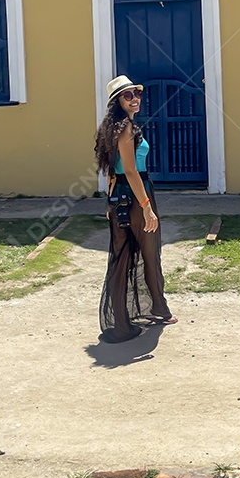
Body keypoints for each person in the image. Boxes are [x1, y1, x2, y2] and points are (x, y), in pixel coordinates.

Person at [93, 75, 177, 343]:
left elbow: (110, 171)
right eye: (128, 95)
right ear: (117, 101)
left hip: (119, 197)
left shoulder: (111, 128)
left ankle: (121, 319)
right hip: (135, 194)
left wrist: (109, 202)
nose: (135, 98)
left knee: (122, 258)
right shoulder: (126, 129)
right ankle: (160, 309)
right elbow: (129, 170)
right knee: (149, 253)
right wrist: (147, 207)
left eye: (137, 93)